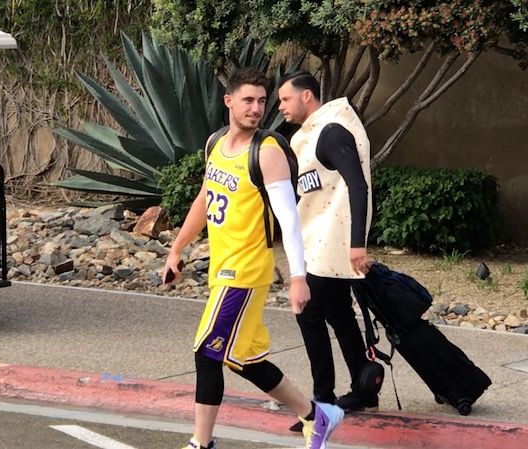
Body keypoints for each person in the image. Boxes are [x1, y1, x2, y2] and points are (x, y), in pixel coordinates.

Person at [162, 67, 344, 449]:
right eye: (248, 100)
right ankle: (316, 415)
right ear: (229, 101)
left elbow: (288, 219)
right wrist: (178, 248)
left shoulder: (269, 151)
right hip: (221, 269)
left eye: (262, 101)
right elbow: (204, 198)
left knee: (207, 352)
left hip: (245, 271)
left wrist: (298, 278)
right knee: (242, 359)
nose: (256, 108)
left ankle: (201, 443)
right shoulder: (215, 143)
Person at [277, 71, 377, 419]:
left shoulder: (331, 132)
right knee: (337, 313)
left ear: (307, 96)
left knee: (308, 311)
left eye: (285, 99)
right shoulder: (308, 135)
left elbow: (358, 185)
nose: (280, 107)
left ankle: (322, 401)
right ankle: (364, 389)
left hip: (332, 243)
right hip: (316, 239)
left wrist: (356, 244)